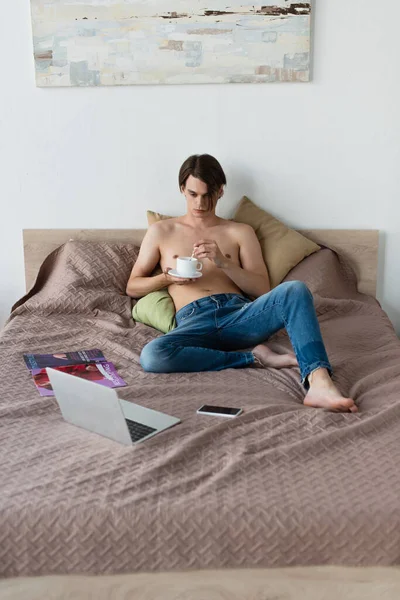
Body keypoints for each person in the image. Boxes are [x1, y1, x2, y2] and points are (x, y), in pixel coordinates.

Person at [126, 154, 357, 413]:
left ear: (221, 191)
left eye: (208, 194)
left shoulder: (240, 232)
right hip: (194, 321)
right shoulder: (161, 231)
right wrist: (167, 278)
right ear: (182, 189)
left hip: (240, 316)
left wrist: (223, 263)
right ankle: (255, 358)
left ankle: (319, 381)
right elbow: (132, 286)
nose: (200, 203)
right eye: (193, 194)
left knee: (296, 289)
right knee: (152, 355)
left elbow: (261, 290)